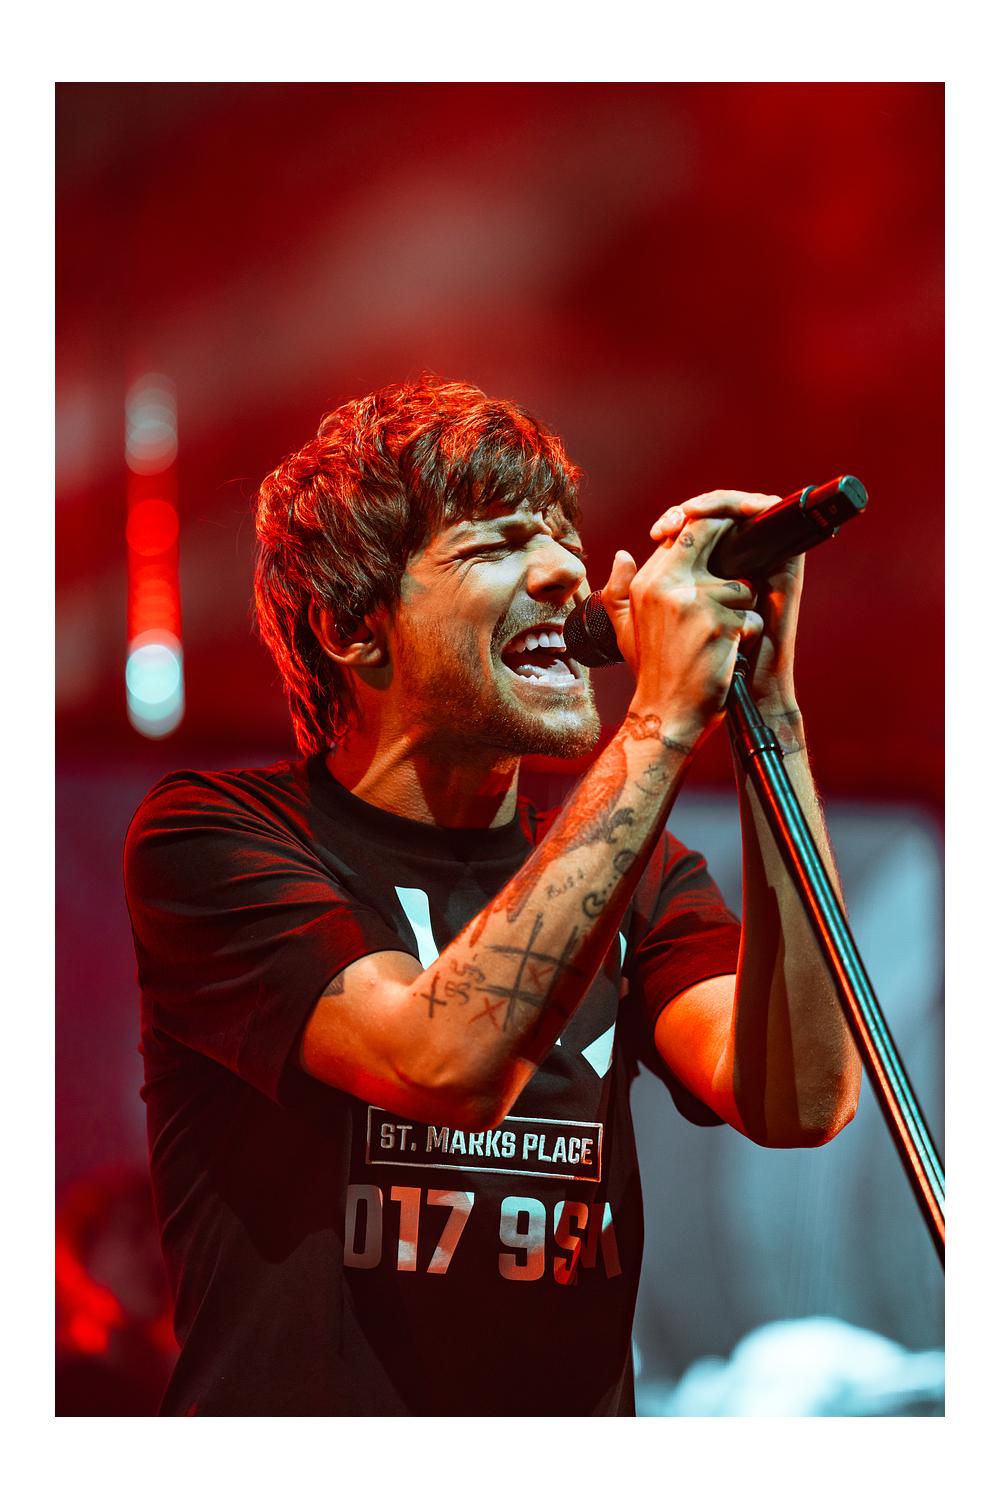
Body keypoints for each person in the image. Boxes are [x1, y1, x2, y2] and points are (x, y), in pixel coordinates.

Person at [124, 374, 861, 1417]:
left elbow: (798, 1100)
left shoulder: (641, 875)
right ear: (352, 627)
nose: (566, 571)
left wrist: (769, 707)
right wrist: (658, 724)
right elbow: (438, 1065)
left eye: (563, 537)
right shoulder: (215, 838)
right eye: (496, 546)